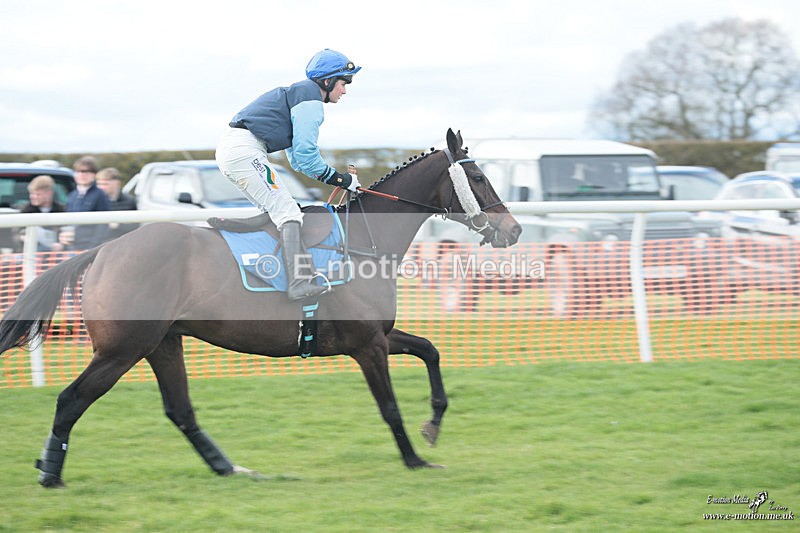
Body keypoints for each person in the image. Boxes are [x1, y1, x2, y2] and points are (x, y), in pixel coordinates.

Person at [216, 48, 362, 300]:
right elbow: (306, 155)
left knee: (284, 207)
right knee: (289, 212)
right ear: (327, 82)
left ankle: (243, 226)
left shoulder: (300, 95)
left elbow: (299, 162)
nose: (345, 90)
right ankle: (298, 283)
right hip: (244, 151)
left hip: (238, 150)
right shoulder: (310, 98)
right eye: (343, 82)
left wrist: (335, 178)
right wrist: (342, 179)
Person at [64, 156, 110, 250]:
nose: (82, 175)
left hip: (88, 247)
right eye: (79, 171)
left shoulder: (100, 195)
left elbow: (103, 225)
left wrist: (93, 247)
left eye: (86, 172)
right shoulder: (72, 195)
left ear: (94, 174)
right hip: (71, 246)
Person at [15, 175, 67, 252]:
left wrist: (62, 245)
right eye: (31, 194)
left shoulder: (61, 210)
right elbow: (16, 234)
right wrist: (24, 238)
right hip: (31, 253)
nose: (33, 197)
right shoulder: (26, 211)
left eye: (37, 194)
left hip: (56, 255)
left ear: (49, 193)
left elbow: (67, 233)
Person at [95, 167, 138, 241]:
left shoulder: (129, 201)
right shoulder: (94, 200)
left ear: (116, 184)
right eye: (99, 184)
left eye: (105, 184)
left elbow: (135, 225)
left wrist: (118, 225)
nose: (101, 187)